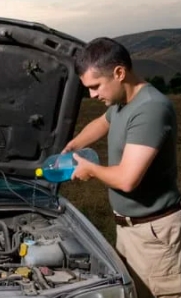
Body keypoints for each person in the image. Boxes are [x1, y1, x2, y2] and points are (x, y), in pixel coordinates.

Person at [63, 37, 181, 298]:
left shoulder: (150, 109)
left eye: (95, 86)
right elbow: (101, 123)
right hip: (130, 230)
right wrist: (72, 145)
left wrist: (91, 169)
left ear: (119, 73)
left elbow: (127, 179)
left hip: (154, 236)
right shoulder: (121, 102)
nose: (92, 94)